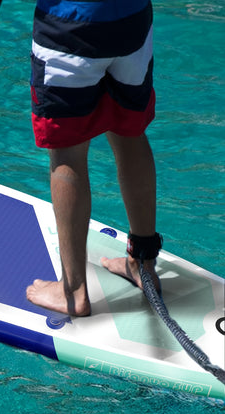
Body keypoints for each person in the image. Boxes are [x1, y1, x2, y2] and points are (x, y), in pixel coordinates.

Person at [26, 0, 163, 317]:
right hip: (131, 23)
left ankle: (72, 292)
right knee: (130, 134)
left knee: (67, 150)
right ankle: (142, 264)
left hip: (70, 27)